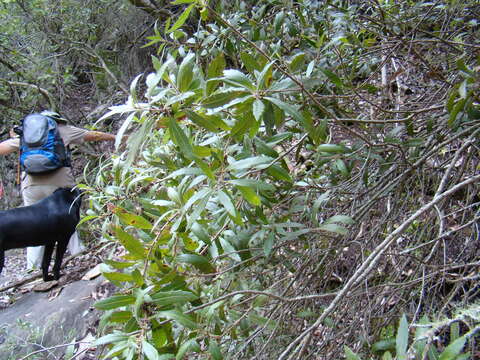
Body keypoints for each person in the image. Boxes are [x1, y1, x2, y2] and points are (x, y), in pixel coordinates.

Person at [0, 110, 116, 271]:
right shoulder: (63, 130)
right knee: (69, 222)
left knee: (31, 226)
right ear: (56, 121)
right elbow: (94, 135)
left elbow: (2, 148)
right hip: (60, 184)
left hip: (31, 186)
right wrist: (116, 137)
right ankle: (78, 255)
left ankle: (32, 269)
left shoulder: (26, 135)